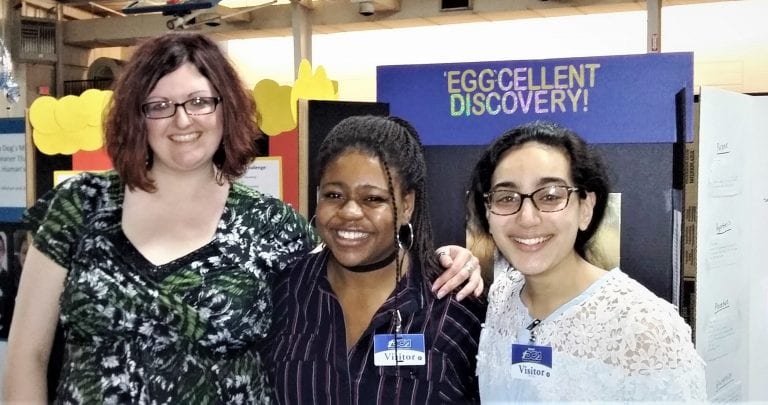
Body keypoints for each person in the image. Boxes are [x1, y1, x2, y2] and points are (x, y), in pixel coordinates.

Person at [3, 32, 482, 404]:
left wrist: (449, 258)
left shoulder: (270, 226)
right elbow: (28, 354)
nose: (182, 120)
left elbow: (355, 249)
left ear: (224, 109)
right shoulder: (80, 206)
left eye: (198, 101)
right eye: (159, 105)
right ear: (135, 116)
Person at [466, 121, 706, 402]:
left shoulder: (645, 329)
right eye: (506, 197)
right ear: (488, 212)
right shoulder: (501, 297)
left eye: (551, 196)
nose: (527, 217)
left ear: (586, 208)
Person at [269, 115, 486, 404]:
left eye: (372, 199)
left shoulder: (453, 308)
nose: (349, 212)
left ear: (406, 205)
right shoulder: (284, 292)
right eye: (333, 195)